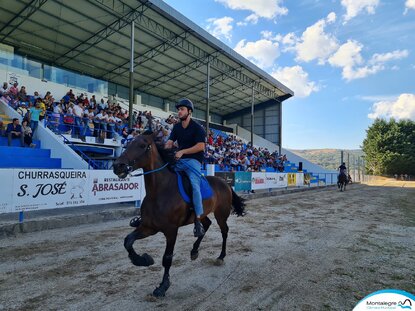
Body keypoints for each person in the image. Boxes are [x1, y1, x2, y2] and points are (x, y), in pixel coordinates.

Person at [165, 98, 206, 237]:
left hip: (194, 160)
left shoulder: (197, 128)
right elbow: (170, 141)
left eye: (182, 109)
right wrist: (165, 146)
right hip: (179, 159)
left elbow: (201, 146)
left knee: (194, 185)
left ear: (189, 112)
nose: (179, 112)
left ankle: (198, 219)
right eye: (178, 109)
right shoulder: (176, 127)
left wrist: (182, 151)